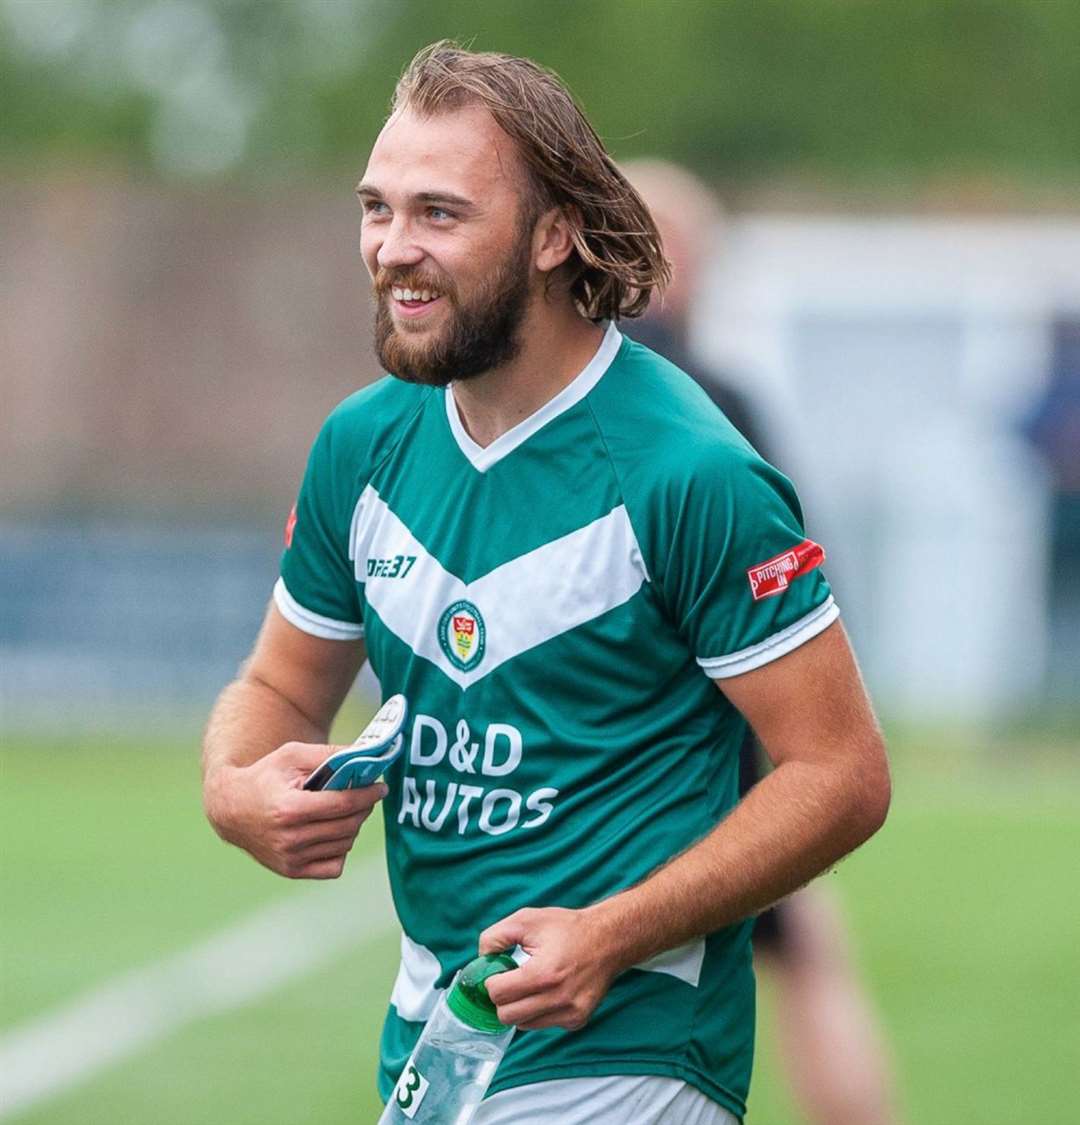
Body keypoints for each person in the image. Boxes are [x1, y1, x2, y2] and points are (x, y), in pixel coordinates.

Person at [201, 42, 891, 1125]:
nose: (391, 249)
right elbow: (281, 687)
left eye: (439, 213)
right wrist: (232, 785)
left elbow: (842, 773)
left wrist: (611, 933)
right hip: (438, 1042)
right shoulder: (361, 446)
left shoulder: (689, 473)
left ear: (553, 233)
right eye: (376, 209)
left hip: (632, 1042)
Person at [623, 159, 902, 1125]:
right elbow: (792, 585)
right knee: (805, 960)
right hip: (715, 743)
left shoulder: (544, 397)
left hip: (603, 748)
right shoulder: (712, 401)